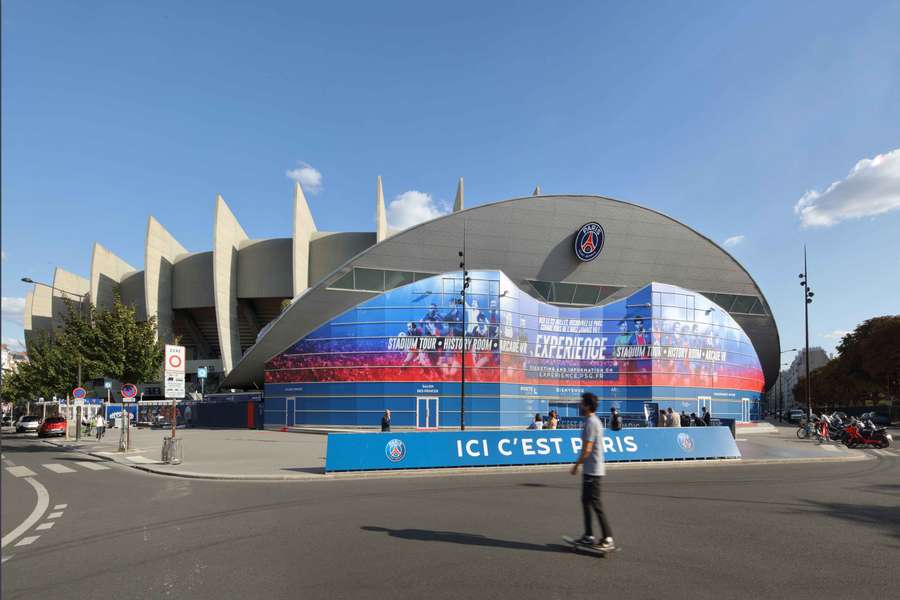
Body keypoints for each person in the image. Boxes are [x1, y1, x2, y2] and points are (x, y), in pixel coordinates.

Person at [570, 392, 614, 550]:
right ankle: (589, 535)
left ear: (587, 405)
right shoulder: (592, 421)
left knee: (595, 504)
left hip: (593, 470)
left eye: (582, 403)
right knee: (586, 502)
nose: (580, 406)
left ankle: (608, 538)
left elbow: (587, 449)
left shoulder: (591, 422)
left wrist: (576, 465)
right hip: (592, 469)